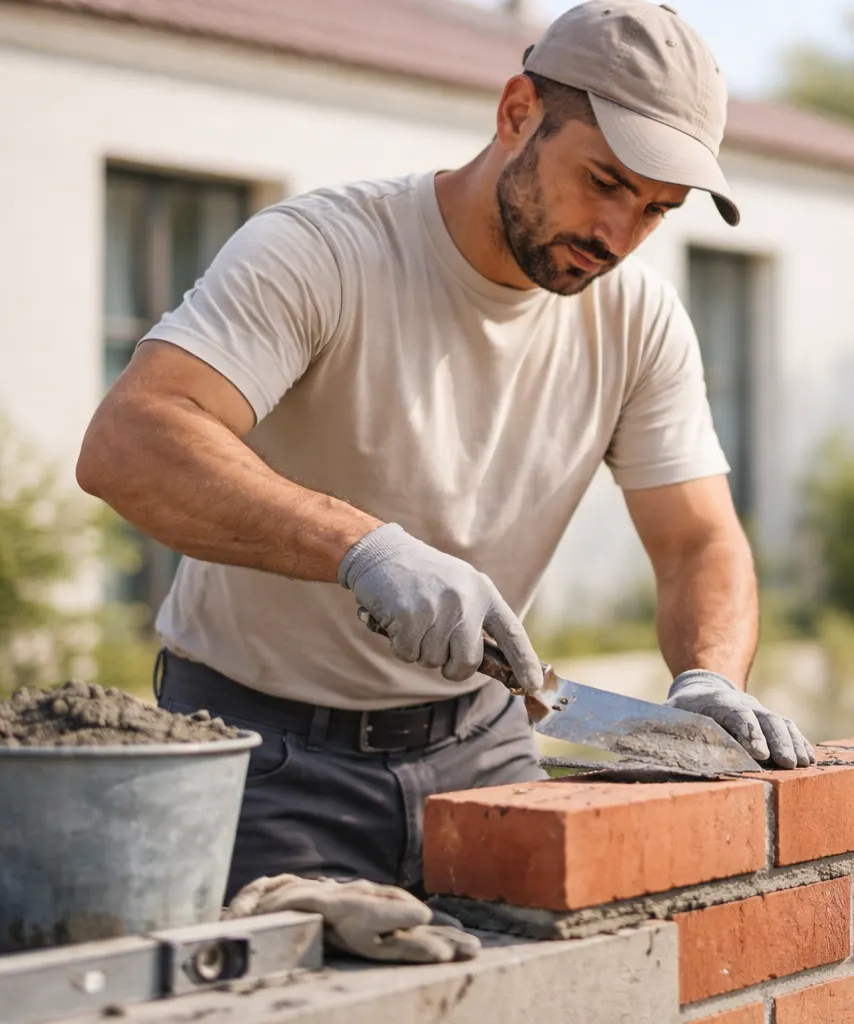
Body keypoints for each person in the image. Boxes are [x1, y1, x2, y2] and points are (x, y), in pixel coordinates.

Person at [75, 0, 813, 902]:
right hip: (258, 756)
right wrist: (362, 550)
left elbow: (699, 542)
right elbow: (130, 441)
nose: (618, 237)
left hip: (486, 746)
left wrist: (707, 676)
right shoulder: (324, 252)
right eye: (606, 182)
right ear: (516, 114)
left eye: (657, 210)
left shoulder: (640, 321)